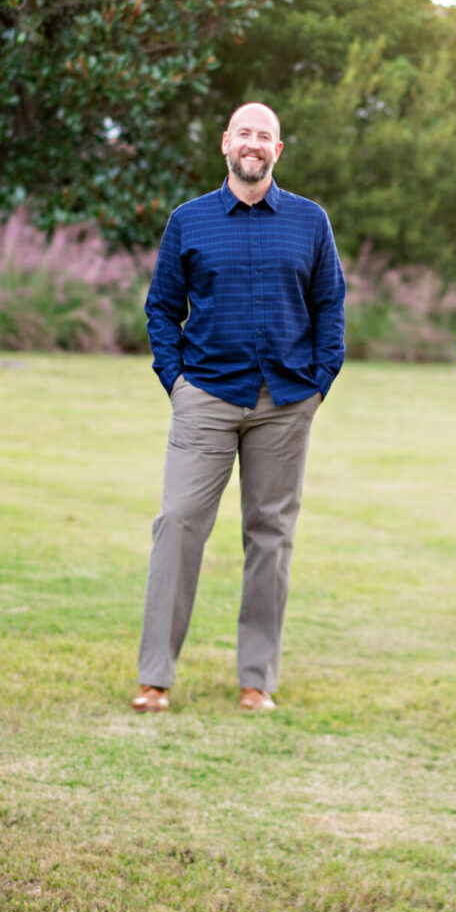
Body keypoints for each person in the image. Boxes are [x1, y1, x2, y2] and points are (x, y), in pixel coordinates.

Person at [132, 103, 346, 714]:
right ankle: (155, 678)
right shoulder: (189, 221)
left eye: (266, 137)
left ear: (279, 149)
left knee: (270, 537)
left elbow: (331, 305)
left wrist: (319, 383)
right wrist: (176, 382)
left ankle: (257, 680)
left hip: (285, 402)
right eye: (245, 133)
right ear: (227, 142)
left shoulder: (310, 221)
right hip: (205, 395)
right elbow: (161, 308)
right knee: (177, 524)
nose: (254, 144)